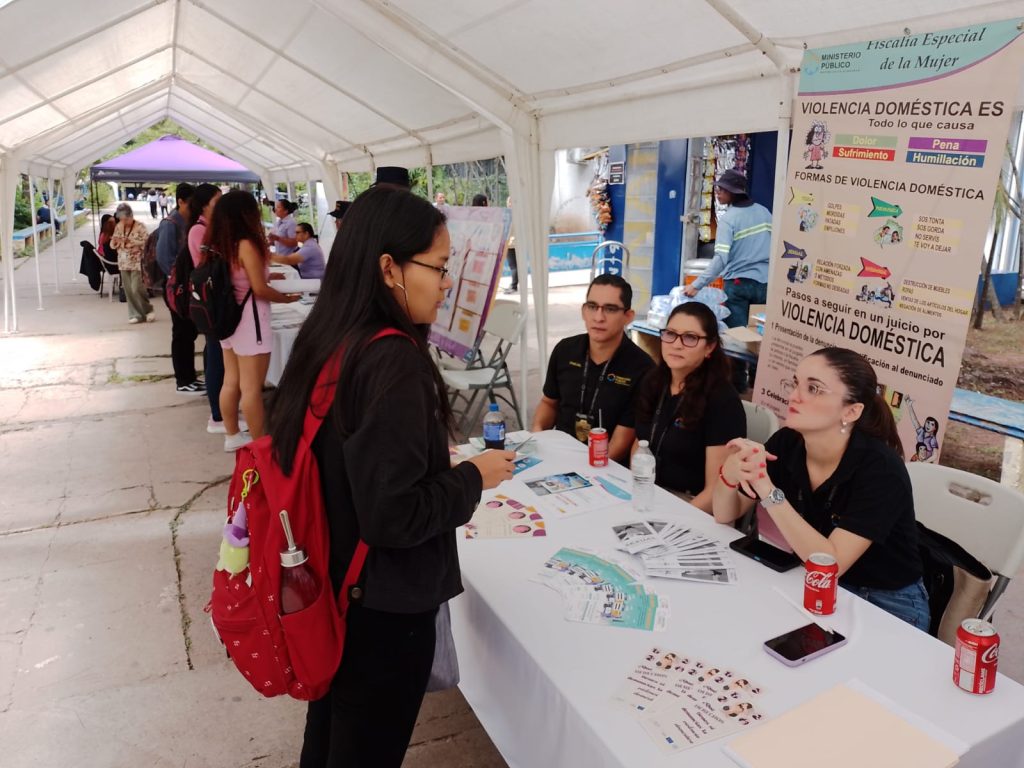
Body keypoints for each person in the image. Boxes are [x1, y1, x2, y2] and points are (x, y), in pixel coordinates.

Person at [266, 186, 515, 767]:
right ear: (389, 269)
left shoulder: (331, 338)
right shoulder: (392, 359)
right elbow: (394, 516)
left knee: (331, 736)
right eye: (439, 267)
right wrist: (472, 477)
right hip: (382, 610)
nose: (447, 283)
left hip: (333, 584)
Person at [712, 347, 928, 631]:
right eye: (796, 383)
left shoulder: (881, 470)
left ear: (851, 411)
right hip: (806, 580)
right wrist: (729, 474)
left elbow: (830, 566)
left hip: (884, 602)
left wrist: (767, 489)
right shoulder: (787, 442)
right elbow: (725, 514)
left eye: (814, 388)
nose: (794, 396)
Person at [204, 190, 300, 451]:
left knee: (231, 381)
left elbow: (242, 278)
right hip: (250, 321)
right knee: (251, 388)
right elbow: (258, 289)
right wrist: (287, 299)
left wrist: (268, 278)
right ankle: (261, 446)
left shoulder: (219, 243)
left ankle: (233, 435)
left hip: (228, 319)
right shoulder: (246, 243)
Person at [632, 303, 745, 512]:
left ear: (710, 347)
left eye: (690, 337)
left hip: (693, 504)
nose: (676, 344)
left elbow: (716, 491)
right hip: (648, 491)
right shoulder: (653, 381)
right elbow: (640, 443)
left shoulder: (723, 401)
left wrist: (674, 521)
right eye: (670, 334)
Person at [532, 274, 654, 463]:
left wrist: (582, 470)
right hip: (557, 456)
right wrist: (537, 436)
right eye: (592, 307)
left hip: (604, 465)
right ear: (583, 311)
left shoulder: (642, 368)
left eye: (610, 309)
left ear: (628, 316)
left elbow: (622, 440)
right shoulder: (565, 350)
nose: (598, 317)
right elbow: (549, 403)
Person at [684, 169, 770, 392]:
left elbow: (721, 259)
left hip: (738, 285)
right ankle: (758, 384)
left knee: (737, 340)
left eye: (722, 190)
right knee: (760, 338)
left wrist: (696, 285)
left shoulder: (729, 219)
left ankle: (738, 387)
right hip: (765, 285)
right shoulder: (764, 212)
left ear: (733, 192)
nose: (718, 193)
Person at [186, 184, 234, 433]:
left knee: (216, 355)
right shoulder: (199, 230)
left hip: (216, 297)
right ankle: (218, 416)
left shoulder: (210, 227)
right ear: (205, 204)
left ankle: (222, 411)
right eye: (217, 201)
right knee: (216, 358)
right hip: (212, 300)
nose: (221, 205)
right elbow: (216, 261)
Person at [156, 183, 205, 396]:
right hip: (177, 289)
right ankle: (183, 380)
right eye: (191, 203)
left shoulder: (188, 223)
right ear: (180, 202)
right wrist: (180, 282)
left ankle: (189, 378)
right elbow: (164, 258)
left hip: (186, 286)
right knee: (182, 333)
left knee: (189, 333)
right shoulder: (170, 224)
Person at [110, 203, 154, 324]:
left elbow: (147, 242)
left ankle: (147, 310)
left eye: (125, 219)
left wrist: (133, 242)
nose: (123, 221)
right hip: (123, 262)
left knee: (136, 288)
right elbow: (113, 244)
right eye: (121, 219)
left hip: (136, 261)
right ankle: (135, 314)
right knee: (128, 290)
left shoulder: (140, 226)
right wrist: (116, 242)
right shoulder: (119, 226)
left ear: (130, 216)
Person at [504, 196, 518, 294]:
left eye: (509, 202)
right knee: (516, 266)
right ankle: (514, 284)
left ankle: (513, 286)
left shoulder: (508, 215)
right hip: (518, 243)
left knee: (513, 266)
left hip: (511, 243)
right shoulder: (520, 214)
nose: (508, 203)